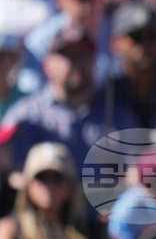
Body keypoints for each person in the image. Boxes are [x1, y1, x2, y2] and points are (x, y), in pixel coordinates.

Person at [2, 28, 138, 172]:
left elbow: (135, 169)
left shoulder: (116, 115)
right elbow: (10, 171)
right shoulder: (26, 115)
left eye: (84, 55)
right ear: (47, 65)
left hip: (104, 194)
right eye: (69, 56)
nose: (78, 63)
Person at [0, 141, 101, 239]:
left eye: (57, 178)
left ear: (69, 186)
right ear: (28, 185)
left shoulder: (89, 229)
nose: (49, 186)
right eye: (41, 178)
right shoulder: (11, 228)